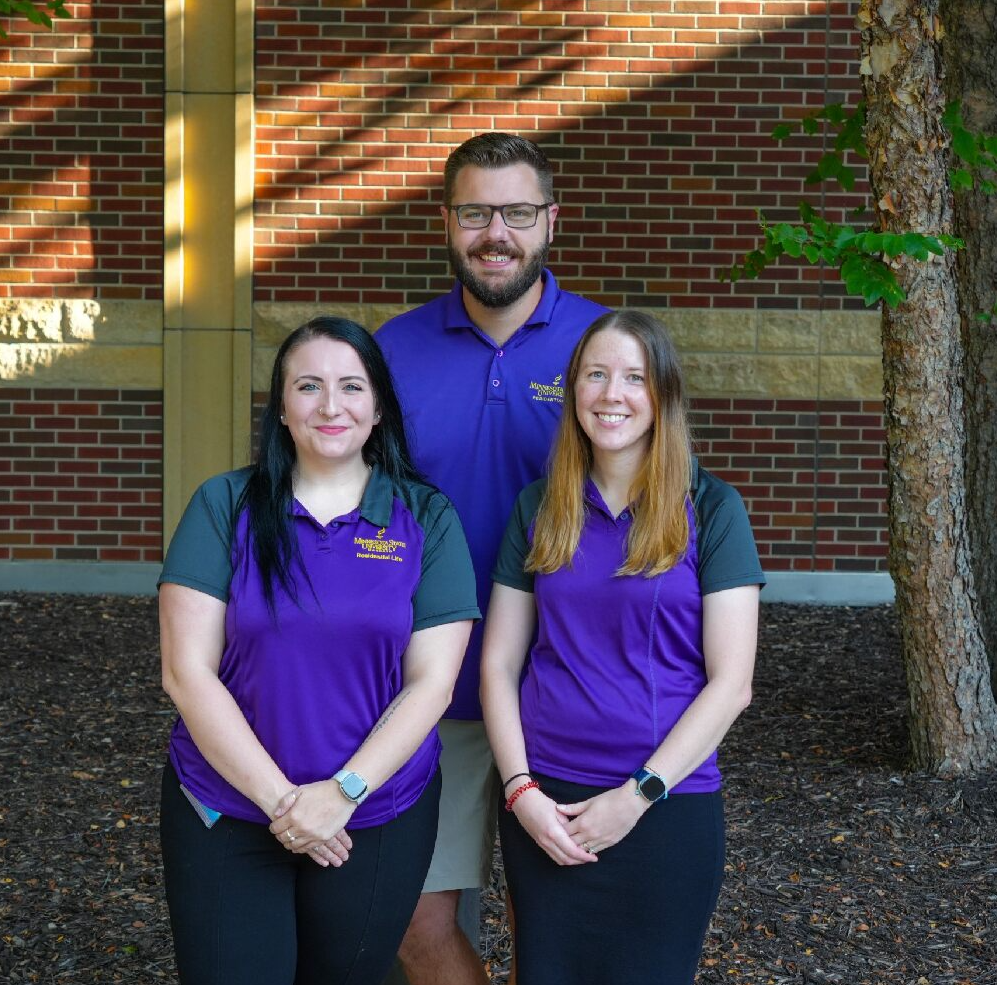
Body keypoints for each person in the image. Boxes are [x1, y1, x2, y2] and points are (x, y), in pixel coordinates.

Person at [157, 316, 480, 984]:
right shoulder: (226, 505)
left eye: (351, 386)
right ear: (281, 406)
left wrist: (343, 791)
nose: (331, 406)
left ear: (379, 405)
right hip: (228, 808)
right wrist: (287, 802)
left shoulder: (426, 519)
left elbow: (432, 683)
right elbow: (187, 673)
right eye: (308, 386)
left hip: (375, 814)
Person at [375, 132, 608, 984]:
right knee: (410, 915)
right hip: (428, 684)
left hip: (568, 687)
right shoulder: (389, 354)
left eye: (515, 212)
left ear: (551, 219)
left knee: (551, 918)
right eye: (476, 212)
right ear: (448, 221)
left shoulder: (604, 351)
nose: (495, 232)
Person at [481, 310, 764, 985]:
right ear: (574, 389)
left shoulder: (712, 507)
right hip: (546, 802)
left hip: (665, 805)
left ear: (662, 394)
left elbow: (733, 684)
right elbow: (498, 664)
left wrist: (637, 795)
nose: (612, 394)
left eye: (634, 377)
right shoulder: (539, 506)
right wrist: (521, 790)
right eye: (596, 374)